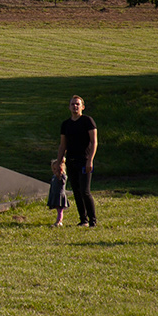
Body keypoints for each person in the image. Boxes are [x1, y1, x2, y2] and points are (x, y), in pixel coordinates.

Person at [56, 95, 98, 227]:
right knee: (76, 191)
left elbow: (94, 141)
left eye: (77, 104)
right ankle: (83, 220)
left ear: (83, 107)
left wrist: (90, 160)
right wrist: (58, 162)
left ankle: (92, 220)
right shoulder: (66, 124)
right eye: (73, 104)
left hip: (84, 160)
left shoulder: (87, 121)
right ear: (69, 107)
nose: (75, 106)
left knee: (85, 191)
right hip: (71, 161)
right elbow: (63, 145)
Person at [48, 156, 69, 226]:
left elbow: (62, 182)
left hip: (60, 195)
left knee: (60, 210)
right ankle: (58, 220)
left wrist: (59, 176)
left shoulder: (63, 176)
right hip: (55, 194)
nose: (54, 171)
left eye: (56, 169)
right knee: (58, 209)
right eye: (53, 169)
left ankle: (59, 221)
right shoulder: (54, 177)